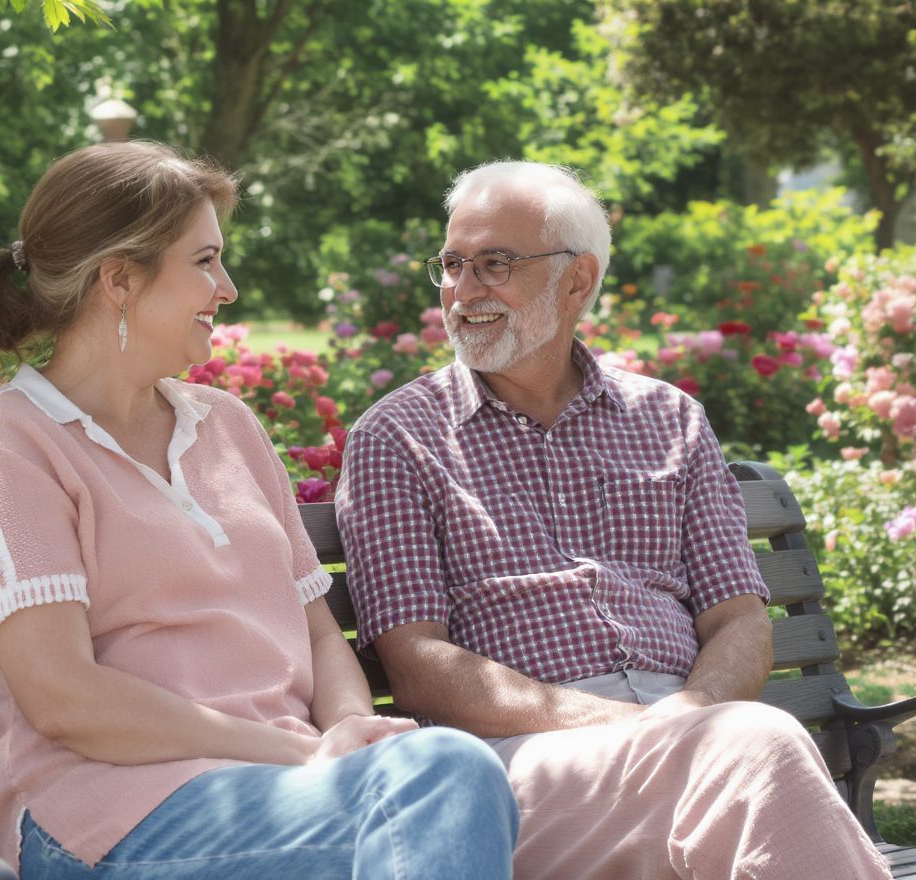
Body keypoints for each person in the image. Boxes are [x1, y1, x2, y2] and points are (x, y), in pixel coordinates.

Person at [0, 141, 519, 880]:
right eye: (204, 261)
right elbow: (66, 699)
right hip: (105, 817)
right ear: (119, 280)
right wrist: (306, 752)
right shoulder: (7, 443)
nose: (226, 289)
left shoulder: (226, 425)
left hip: (286, 794)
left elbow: (318, 633)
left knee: (443, 773)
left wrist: (352, 728)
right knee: (447, 775)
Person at [335, 160, 893, 879]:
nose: (463, 291)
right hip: (517, 762)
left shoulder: (670, 419)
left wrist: (694, 709)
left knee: (747, 749)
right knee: (758, 743)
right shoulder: (400, 437)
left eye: (494, 264)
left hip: (695, 735)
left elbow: (739, 618)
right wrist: (645, 728)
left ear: (577, 281)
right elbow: (418, 667)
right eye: (451, 264)